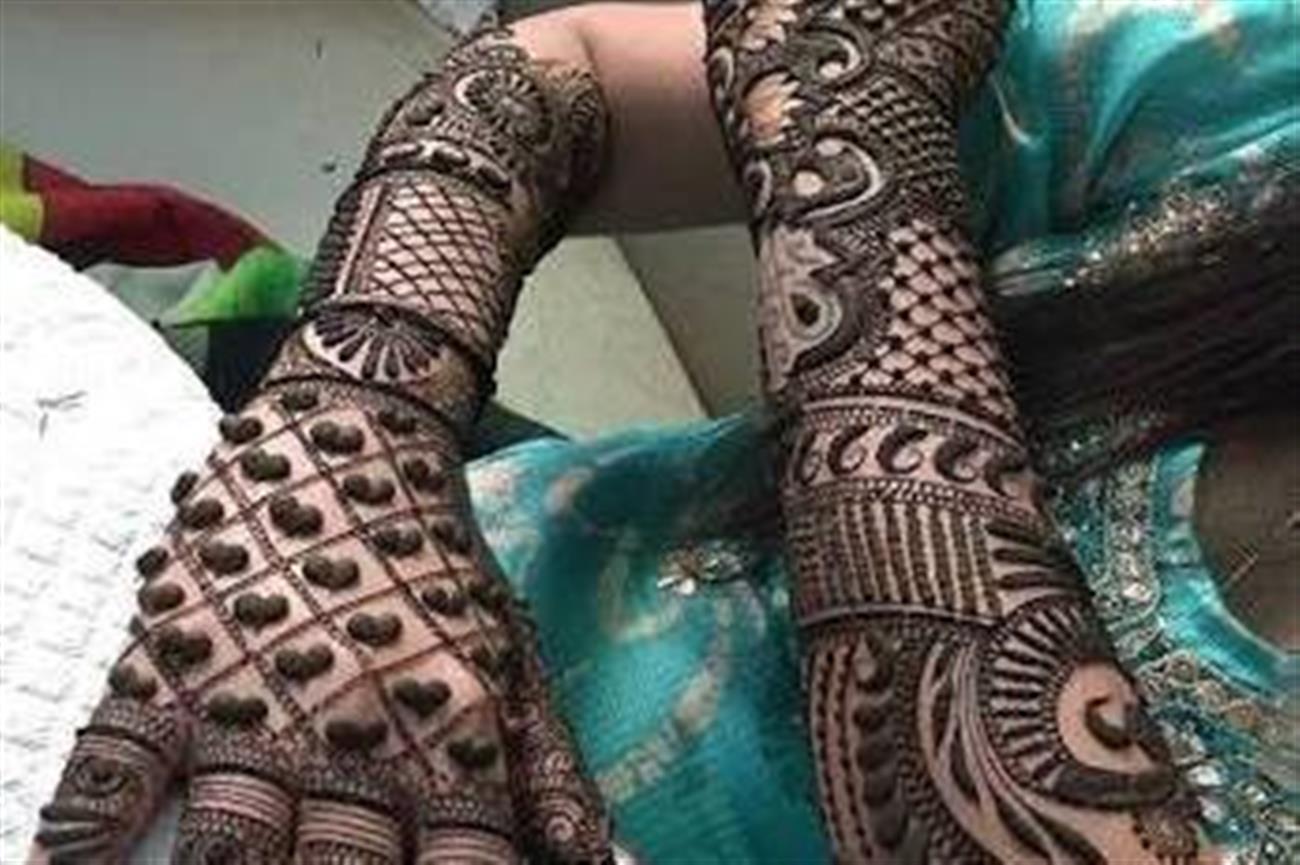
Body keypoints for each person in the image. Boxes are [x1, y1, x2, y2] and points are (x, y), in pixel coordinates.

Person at [28, 0, 1297, 862]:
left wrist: (857, 161)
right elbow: (557, 74)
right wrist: (352, 437)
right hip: (360, 573)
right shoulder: (1259, 86)